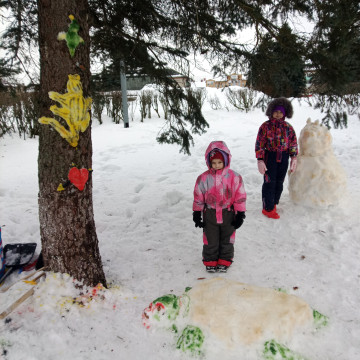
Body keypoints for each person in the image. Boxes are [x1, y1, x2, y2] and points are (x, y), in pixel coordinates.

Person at [192, 141, 247, 273]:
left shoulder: (234, 178)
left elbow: (240, 196)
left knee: (227, 238)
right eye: (214, 162)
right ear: (209, 162)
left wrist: (240, 214)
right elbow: (198, 196)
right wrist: (197, 213)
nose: (217, 166)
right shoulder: (203, 178)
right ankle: (210, 259)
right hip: (210, 214)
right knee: (210, 238)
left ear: (226, 160)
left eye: (220, 162)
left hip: (228, 213)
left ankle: (225, 259)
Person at [255, 97, 298, 219]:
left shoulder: (288, 128)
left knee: (279, 182)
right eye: (276, 111)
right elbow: (260, 143)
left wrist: (293, 157)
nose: (278, 114)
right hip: (270, 157)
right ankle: (267, 208)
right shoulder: (265, 127)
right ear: (271, 111)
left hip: (284, 157)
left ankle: (274, 203)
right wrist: (260, 159)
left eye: (281, 112)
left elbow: (293, 143)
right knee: (269, 182)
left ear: (285, 113)